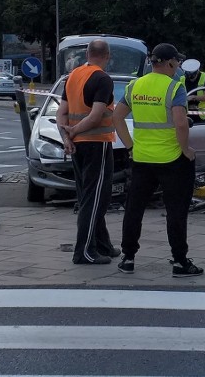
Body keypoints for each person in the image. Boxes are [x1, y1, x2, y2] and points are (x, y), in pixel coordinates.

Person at [112, 43, 203, 278]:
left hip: (142, 158)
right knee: (176, 211)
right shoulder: (175, 88)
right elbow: (181, 123)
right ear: (170, 62)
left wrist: (130, 146)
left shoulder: (135, 86)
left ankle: (128, 258)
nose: (179, 66)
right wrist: (186, 149)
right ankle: (180, 261)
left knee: (134, 209)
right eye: (178, 62)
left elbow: (117, 117)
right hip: (172, 159)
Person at [55, 39, 119, 265]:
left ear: (87, 53)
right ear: (107, 56)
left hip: (77, 146)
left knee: (89, 196)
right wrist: (74, 131)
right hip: (96, 143)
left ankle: (103, 245)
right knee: (96, 199)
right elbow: (95, 116)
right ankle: (84, 251)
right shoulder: (103, 79)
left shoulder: (73, 76)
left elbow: (61, 113)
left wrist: (67, 137)